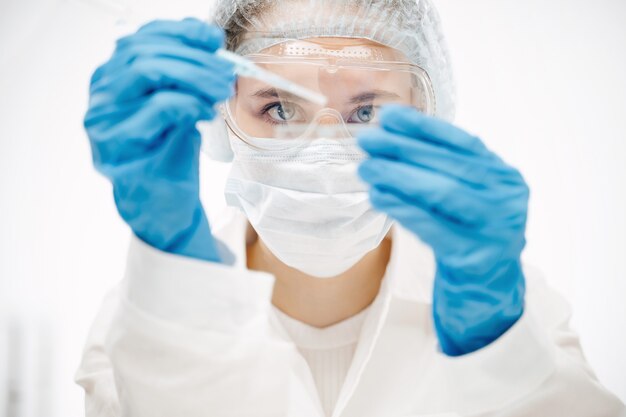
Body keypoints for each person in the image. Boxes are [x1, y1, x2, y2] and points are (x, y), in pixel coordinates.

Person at [75, 1, 626, 416]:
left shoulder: (518, 309)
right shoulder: (147, 317)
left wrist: (497, 352)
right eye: (281, 107)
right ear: (223, 118)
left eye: (365, 113)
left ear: (427, 113)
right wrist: (181, 288)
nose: (323, 151)